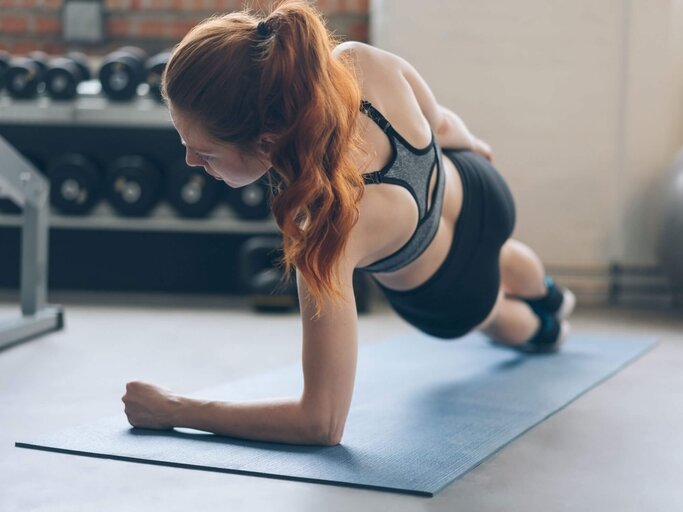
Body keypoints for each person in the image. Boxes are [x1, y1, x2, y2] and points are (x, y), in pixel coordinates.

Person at [122, 0, 576, 446]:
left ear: (266, 140)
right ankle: (553, 296)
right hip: (481, 190)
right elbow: (443, 125)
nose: (190, 160)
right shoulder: (357, 62)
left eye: (204, 152)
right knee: (504, 253)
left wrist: (175, 409)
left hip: (452, 290)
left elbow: (320, 422)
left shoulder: (322, 225)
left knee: (495, 310)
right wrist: (477, 147)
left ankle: (550, 331)